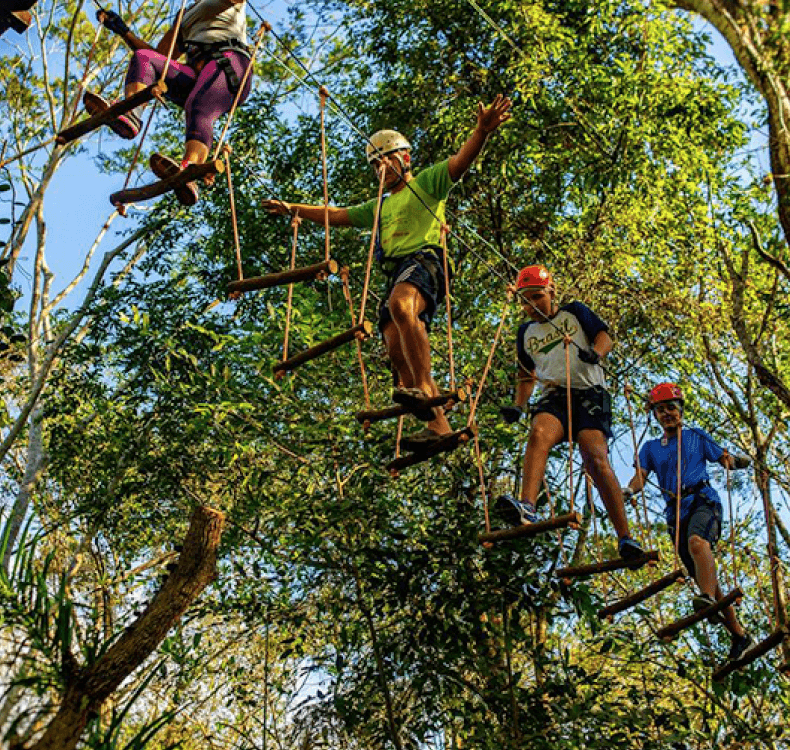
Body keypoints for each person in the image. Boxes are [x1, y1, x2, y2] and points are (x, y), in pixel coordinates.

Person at [262, 96, 512, 451]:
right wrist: (293, 208)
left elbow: (460, 162)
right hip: (397, 271)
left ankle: (425, 388)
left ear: (405, 158)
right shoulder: (378, 206)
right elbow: (337, 214)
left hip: (425, 261)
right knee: (396, 352)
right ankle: (439, 427)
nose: (381, 168)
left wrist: (481, 132)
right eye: (375, 165)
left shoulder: (427, 183)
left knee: (402, 305)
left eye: (386, 160)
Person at [494, 266, 646, 564]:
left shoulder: (573, 313)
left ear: (551, 291)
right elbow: (526, 375)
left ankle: (625, 536)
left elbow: (604, 335)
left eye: (537, 296)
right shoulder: (526, 332)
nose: (532, 305)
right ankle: (527, 505)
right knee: (538, 434)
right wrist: (519, 405)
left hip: (589, 395)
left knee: (595, 457)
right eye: (525, 301)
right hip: (554, 396)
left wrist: (597, 354)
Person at [622, 382, 754, 662]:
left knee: (698, 543)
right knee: (705, 577)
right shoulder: (650, 448)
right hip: (675, 515)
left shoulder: (696, 436)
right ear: (655, 415)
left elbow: (724, 459)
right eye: (661, 410)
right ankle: (739, 635)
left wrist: (739, 462)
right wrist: (628, 490)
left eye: (671, 407)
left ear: (680, 409)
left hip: (703, 500)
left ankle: (706, 601)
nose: (667, 413)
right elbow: (641, 477)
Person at [88, 1, 253, 206]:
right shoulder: (186, 13)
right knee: (145, 58)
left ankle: (190, 169)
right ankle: (132, 114)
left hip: (228, 65)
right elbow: (161, 57)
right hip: (194, 74)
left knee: (199, 106)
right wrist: (124, 31)